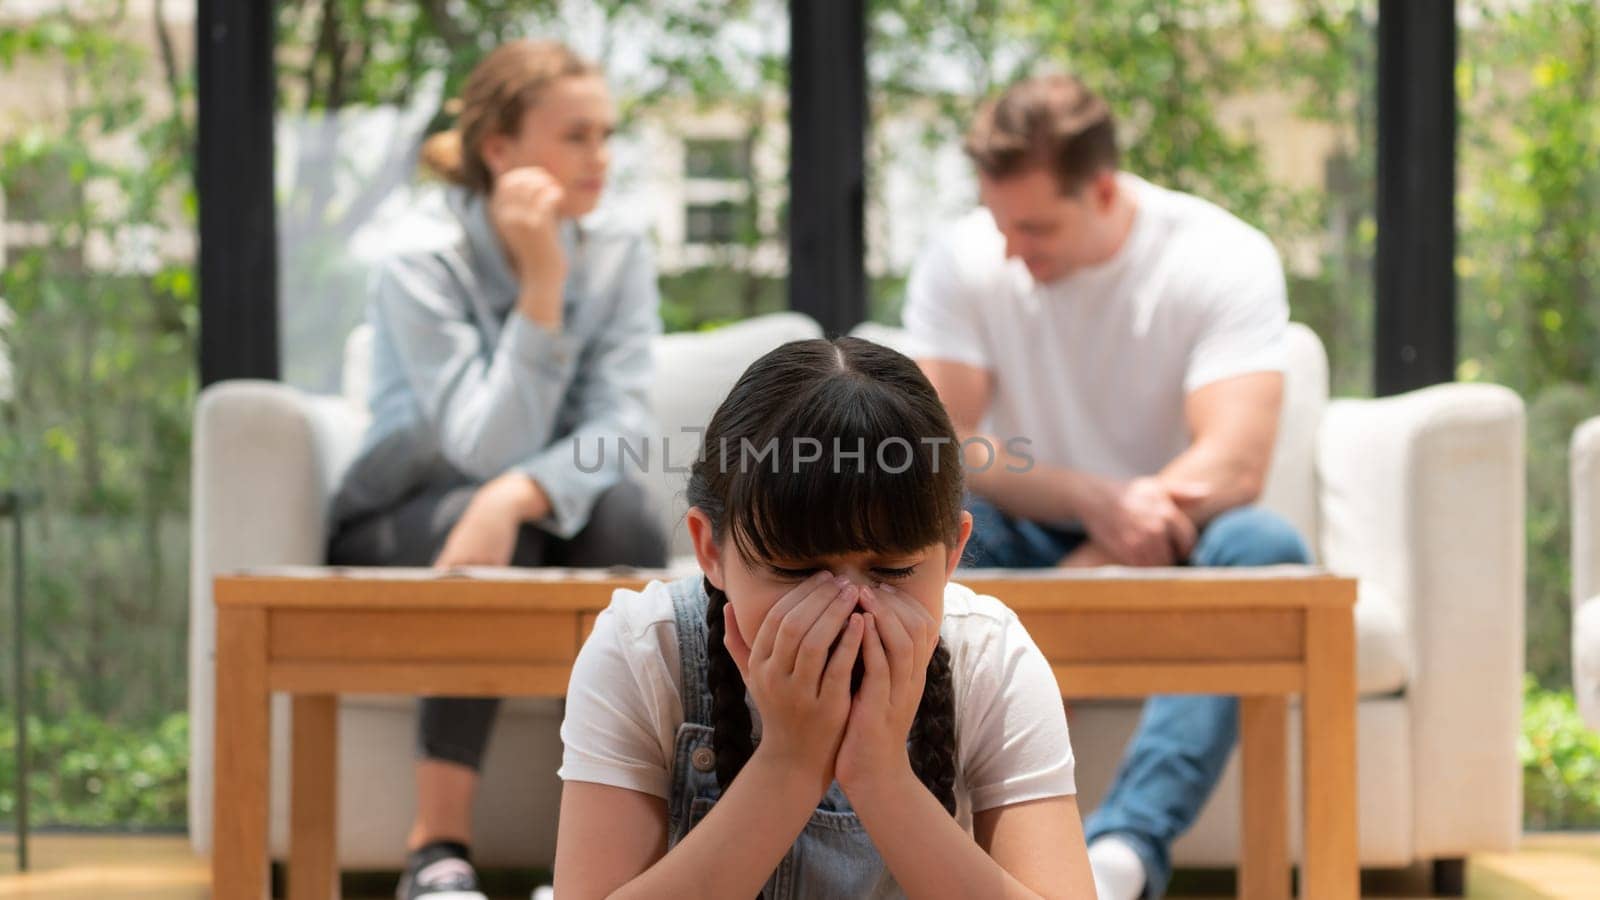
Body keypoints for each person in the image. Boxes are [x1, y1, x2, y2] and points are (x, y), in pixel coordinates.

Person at [903, 73, 1312, 900]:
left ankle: (1120, 855)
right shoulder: (964, 256)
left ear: (1101, 190)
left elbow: (1233, 463)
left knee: (1266, 551)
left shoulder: (1218, 256)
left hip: (1179, 531)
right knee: (910, 543)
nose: (1012, 250)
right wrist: (1095, 504)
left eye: (1035, 227)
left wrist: (1100, 557)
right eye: (999, 223)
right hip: (1018, 522)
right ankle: (928, 850)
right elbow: (938, 446)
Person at [551, 337, 1095, 898]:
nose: (849, 609)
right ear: (710, 550)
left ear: (953, 551)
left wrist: (883, 778)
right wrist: (788, 762)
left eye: (894, 569)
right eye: (795, 571)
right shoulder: (645, 650)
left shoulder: (988, 656)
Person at [325, 39, 667, 900]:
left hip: (537, 511)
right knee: (491, 539)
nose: (602, 158)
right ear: (500, 151)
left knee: (627, 521)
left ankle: (592, 867)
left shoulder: (622, 247)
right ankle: (433, 851)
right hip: (408, 512)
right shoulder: (422, 258)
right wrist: (543, 286)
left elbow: (621, 423)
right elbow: (477, 445)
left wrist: (523, 494)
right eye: (577, 136)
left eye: (607, 134)